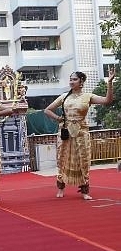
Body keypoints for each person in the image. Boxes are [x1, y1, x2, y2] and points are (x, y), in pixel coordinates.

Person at [44, 69, 116, 200]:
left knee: (83, 160)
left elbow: (107, 100)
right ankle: (60, 188)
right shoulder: (64, 96)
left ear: (81, 81)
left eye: (74, 79)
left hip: (81, 132)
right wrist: (57, 118)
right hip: (65, 131)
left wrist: (109, 83)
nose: (71, 82)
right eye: (70, 79)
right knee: (62, 159)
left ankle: (84, 190)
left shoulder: (88, 96)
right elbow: (47, 110)